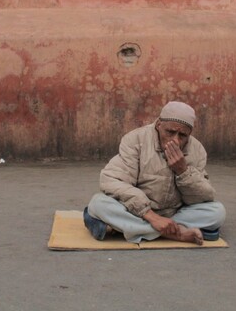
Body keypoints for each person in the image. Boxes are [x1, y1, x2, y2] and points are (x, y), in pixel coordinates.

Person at [83, 101, 226, 244]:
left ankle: (142, 229)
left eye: (182, 135)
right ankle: (177, 233)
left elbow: (202, 197)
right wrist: (151, 216)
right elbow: (111, 180)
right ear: (158, 125)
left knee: (217, 212)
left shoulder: (197, 150)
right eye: (170, 132)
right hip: (138, 212)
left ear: (189, 134)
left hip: (174, 213)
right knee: (99, 203)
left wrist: (183, 171)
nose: (175, 140)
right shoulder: (135, 140)